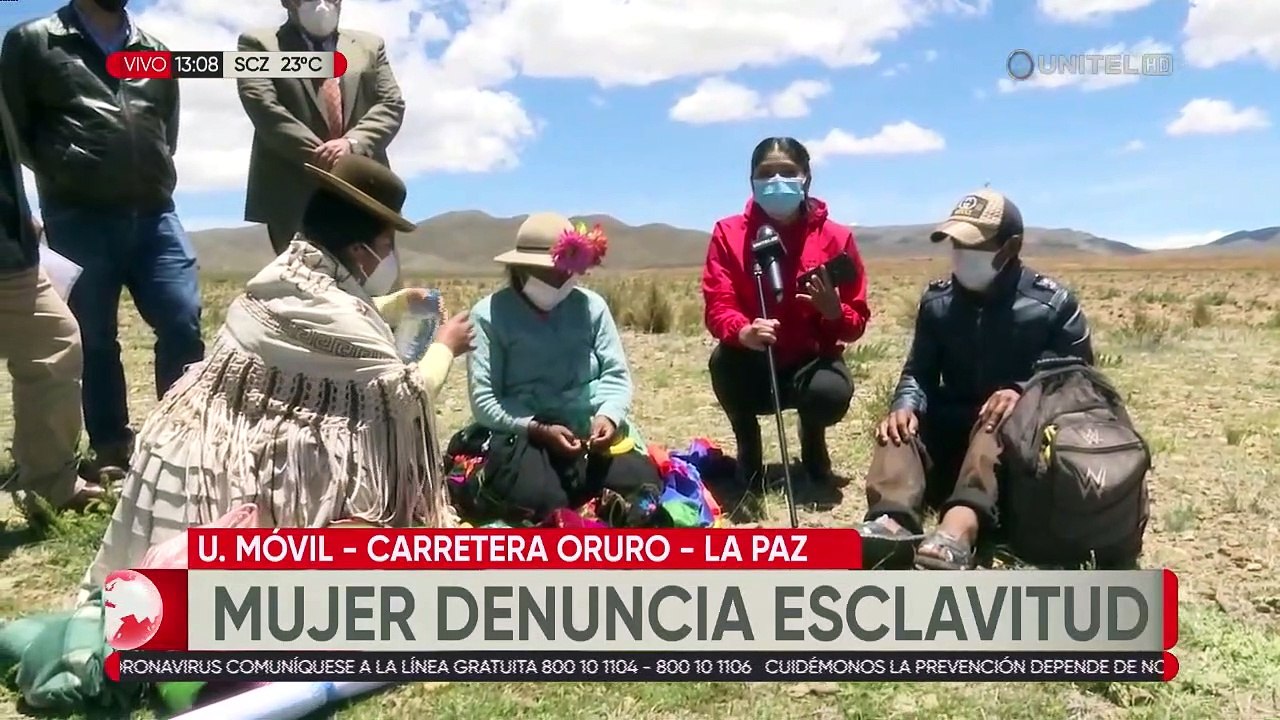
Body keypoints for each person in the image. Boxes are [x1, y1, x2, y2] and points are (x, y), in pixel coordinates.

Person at [81, 155, 472, 591]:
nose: (388, 257)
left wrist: (397, 303)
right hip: (243, 471)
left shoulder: (283, 276)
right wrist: (445, 346)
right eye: (385, 246)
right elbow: (406, 393)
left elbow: (332, 318)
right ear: (359, 249)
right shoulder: (338, 313)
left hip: (186, 446)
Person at [0, 0, 205, 480]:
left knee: (182, 321)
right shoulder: (35, 41)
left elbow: (164, 130)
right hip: (78, 214)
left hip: (155, 214)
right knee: (93, 337)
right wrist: (59, 176)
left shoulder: (156, 51)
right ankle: (111, 448)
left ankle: (182, 444)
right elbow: (12, 135)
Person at [855, 189, 1094, 570]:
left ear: (1010, 247)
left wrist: (1022, 390)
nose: (960, 254)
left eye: (973, 244)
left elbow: (1079, 382)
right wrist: (905, 405)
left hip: (1015, 447)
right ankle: (891, 523)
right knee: (899, 429)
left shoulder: (1053, 304)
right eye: (955, 243)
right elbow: (919, 372)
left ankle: (957, 533)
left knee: (996, 418)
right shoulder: (938, 302)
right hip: (952, 434)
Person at [457, 213, 663, 526]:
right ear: (521, 269)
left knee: (642, 479)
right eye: (547, 272)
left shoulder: (592, 307)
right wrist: (538, 429)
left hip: (588, 430)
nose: (558, 280)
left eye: (565, 271)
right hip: (525, 434)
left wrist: (608, 416)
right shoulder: (488, 316)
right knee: (538, 498)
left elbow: (615, 374)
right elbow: (486, 399)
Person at [701, 137, 871, 488]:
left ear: (806, 177)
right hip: (753, 359)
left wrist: (833, 313)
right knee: (724, 363)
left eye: (788, 172)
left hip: (810, 361)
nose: (777, 180)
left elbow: (856, 323)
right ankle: (749, 449)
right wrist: (742, 331)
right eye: (766, 173)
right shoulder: (728, 234)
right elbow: (719, 303)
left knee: (829, 392)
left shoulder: (837, 238)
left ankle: (813, 441)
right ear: (751, 180)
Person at [0, 88, 102, 511]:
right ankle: (48, 482)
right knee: (53, 340)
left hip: (12, 248)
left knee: (53, 340)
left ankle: (48, 482)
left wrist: (18, 215)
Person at [238, 0, 406, 254]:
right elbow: (264, 108)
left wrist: (352, 145)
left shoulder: (369, 47)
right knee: (306, 286)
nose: (322, 4)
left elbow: (391, 103)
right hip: (296, 192)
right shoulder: (259, 46)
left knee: (376, 287)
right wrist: (326, 158)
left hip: (366, 190)